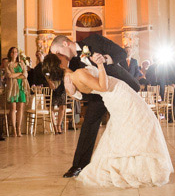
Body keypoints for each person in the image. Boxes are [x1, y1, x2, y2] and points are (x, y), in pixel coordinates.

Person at [42, 52, 172, 188]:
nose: (62, 55)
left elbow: (81, 94)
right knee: (141, 122)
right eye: (59, 55)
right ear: (59, 63)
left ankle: (133, 166)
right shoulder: (78, 74)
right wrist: (100, 65)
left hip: (114, 97)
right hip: (118, 94)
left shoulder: (69, 81)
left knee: (130, 127)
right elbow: (102, 86)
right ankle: (137, 168)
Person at [49, 32, 139, 178]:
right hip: (99, 95)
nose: (59, 56)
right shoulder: (73, 64)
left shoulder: (93, 40)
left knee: (129, 124)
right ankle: (78, 166)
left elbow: (121, 53)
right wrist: (74, 92)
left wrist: (105, 59)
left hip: (121, 87)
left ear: (65, 43)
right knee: (89, 123)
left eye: (58, 52)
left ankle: (135, 162)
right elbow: (85, 90)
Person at [2, 46, 27, 137]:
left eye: (16, 52)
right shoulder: (7, 63)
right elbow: (9, 75)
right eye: (12, 52)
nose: (14, 53)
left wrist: (16, 75)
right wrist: (19, 74)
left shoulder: (21, 63)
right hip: (12, 87)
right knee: (13, 108)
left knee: (20, 108)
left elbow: (25, 75)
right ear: (10, 53)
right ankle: (13, 129)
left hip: (21, 87)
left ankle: (19, 128)